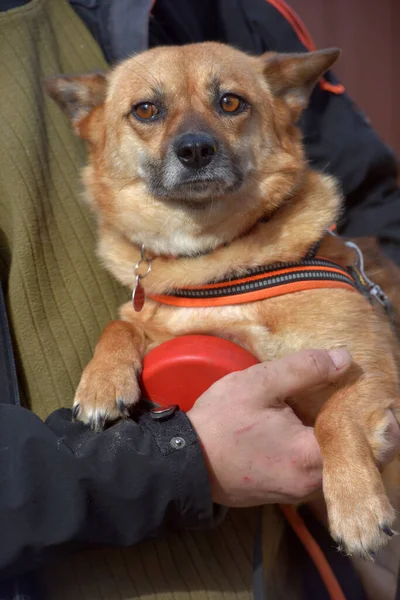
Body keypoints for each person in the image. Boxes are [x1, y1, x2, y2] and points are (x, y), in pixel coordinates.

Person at [0, 1, 400, 600]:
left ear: (282, 108)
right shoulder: (141, 285)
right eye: (149, 112)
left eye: (229, 104)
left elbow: (377, 206)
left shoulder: (235, 9)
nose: (193, 139)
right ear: (92, 123)